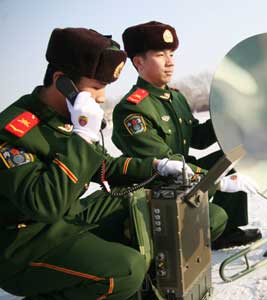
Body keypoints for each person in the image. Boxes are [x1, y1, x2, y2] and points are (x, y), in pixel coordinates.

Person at [0, 27, 190, 300]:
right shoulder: (12, 131)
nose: (101, 98)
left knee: (140, 200)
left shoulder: (62, 118)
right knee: (126, 270)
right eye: (96, 88)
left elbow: (105, 167)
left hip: (67, 219)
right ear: (62, 81)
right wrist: (83, 137)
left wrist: (157, 167)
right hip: (23, 246)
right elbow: (45, 203)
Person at [112, 21, 262, 250]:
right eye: (161, 55)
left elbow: (199, 139)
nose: (170, 62)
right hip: (157, 191)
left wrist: (229, 117)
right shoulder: (132, 109)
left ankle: (227, 233)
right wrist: (218, 181)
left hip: (185, 176)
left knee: (232, 157)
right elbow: (165, 167)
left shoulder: (175, 98)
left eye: (171, 54)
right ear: (139, 62)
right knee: (214, 216)